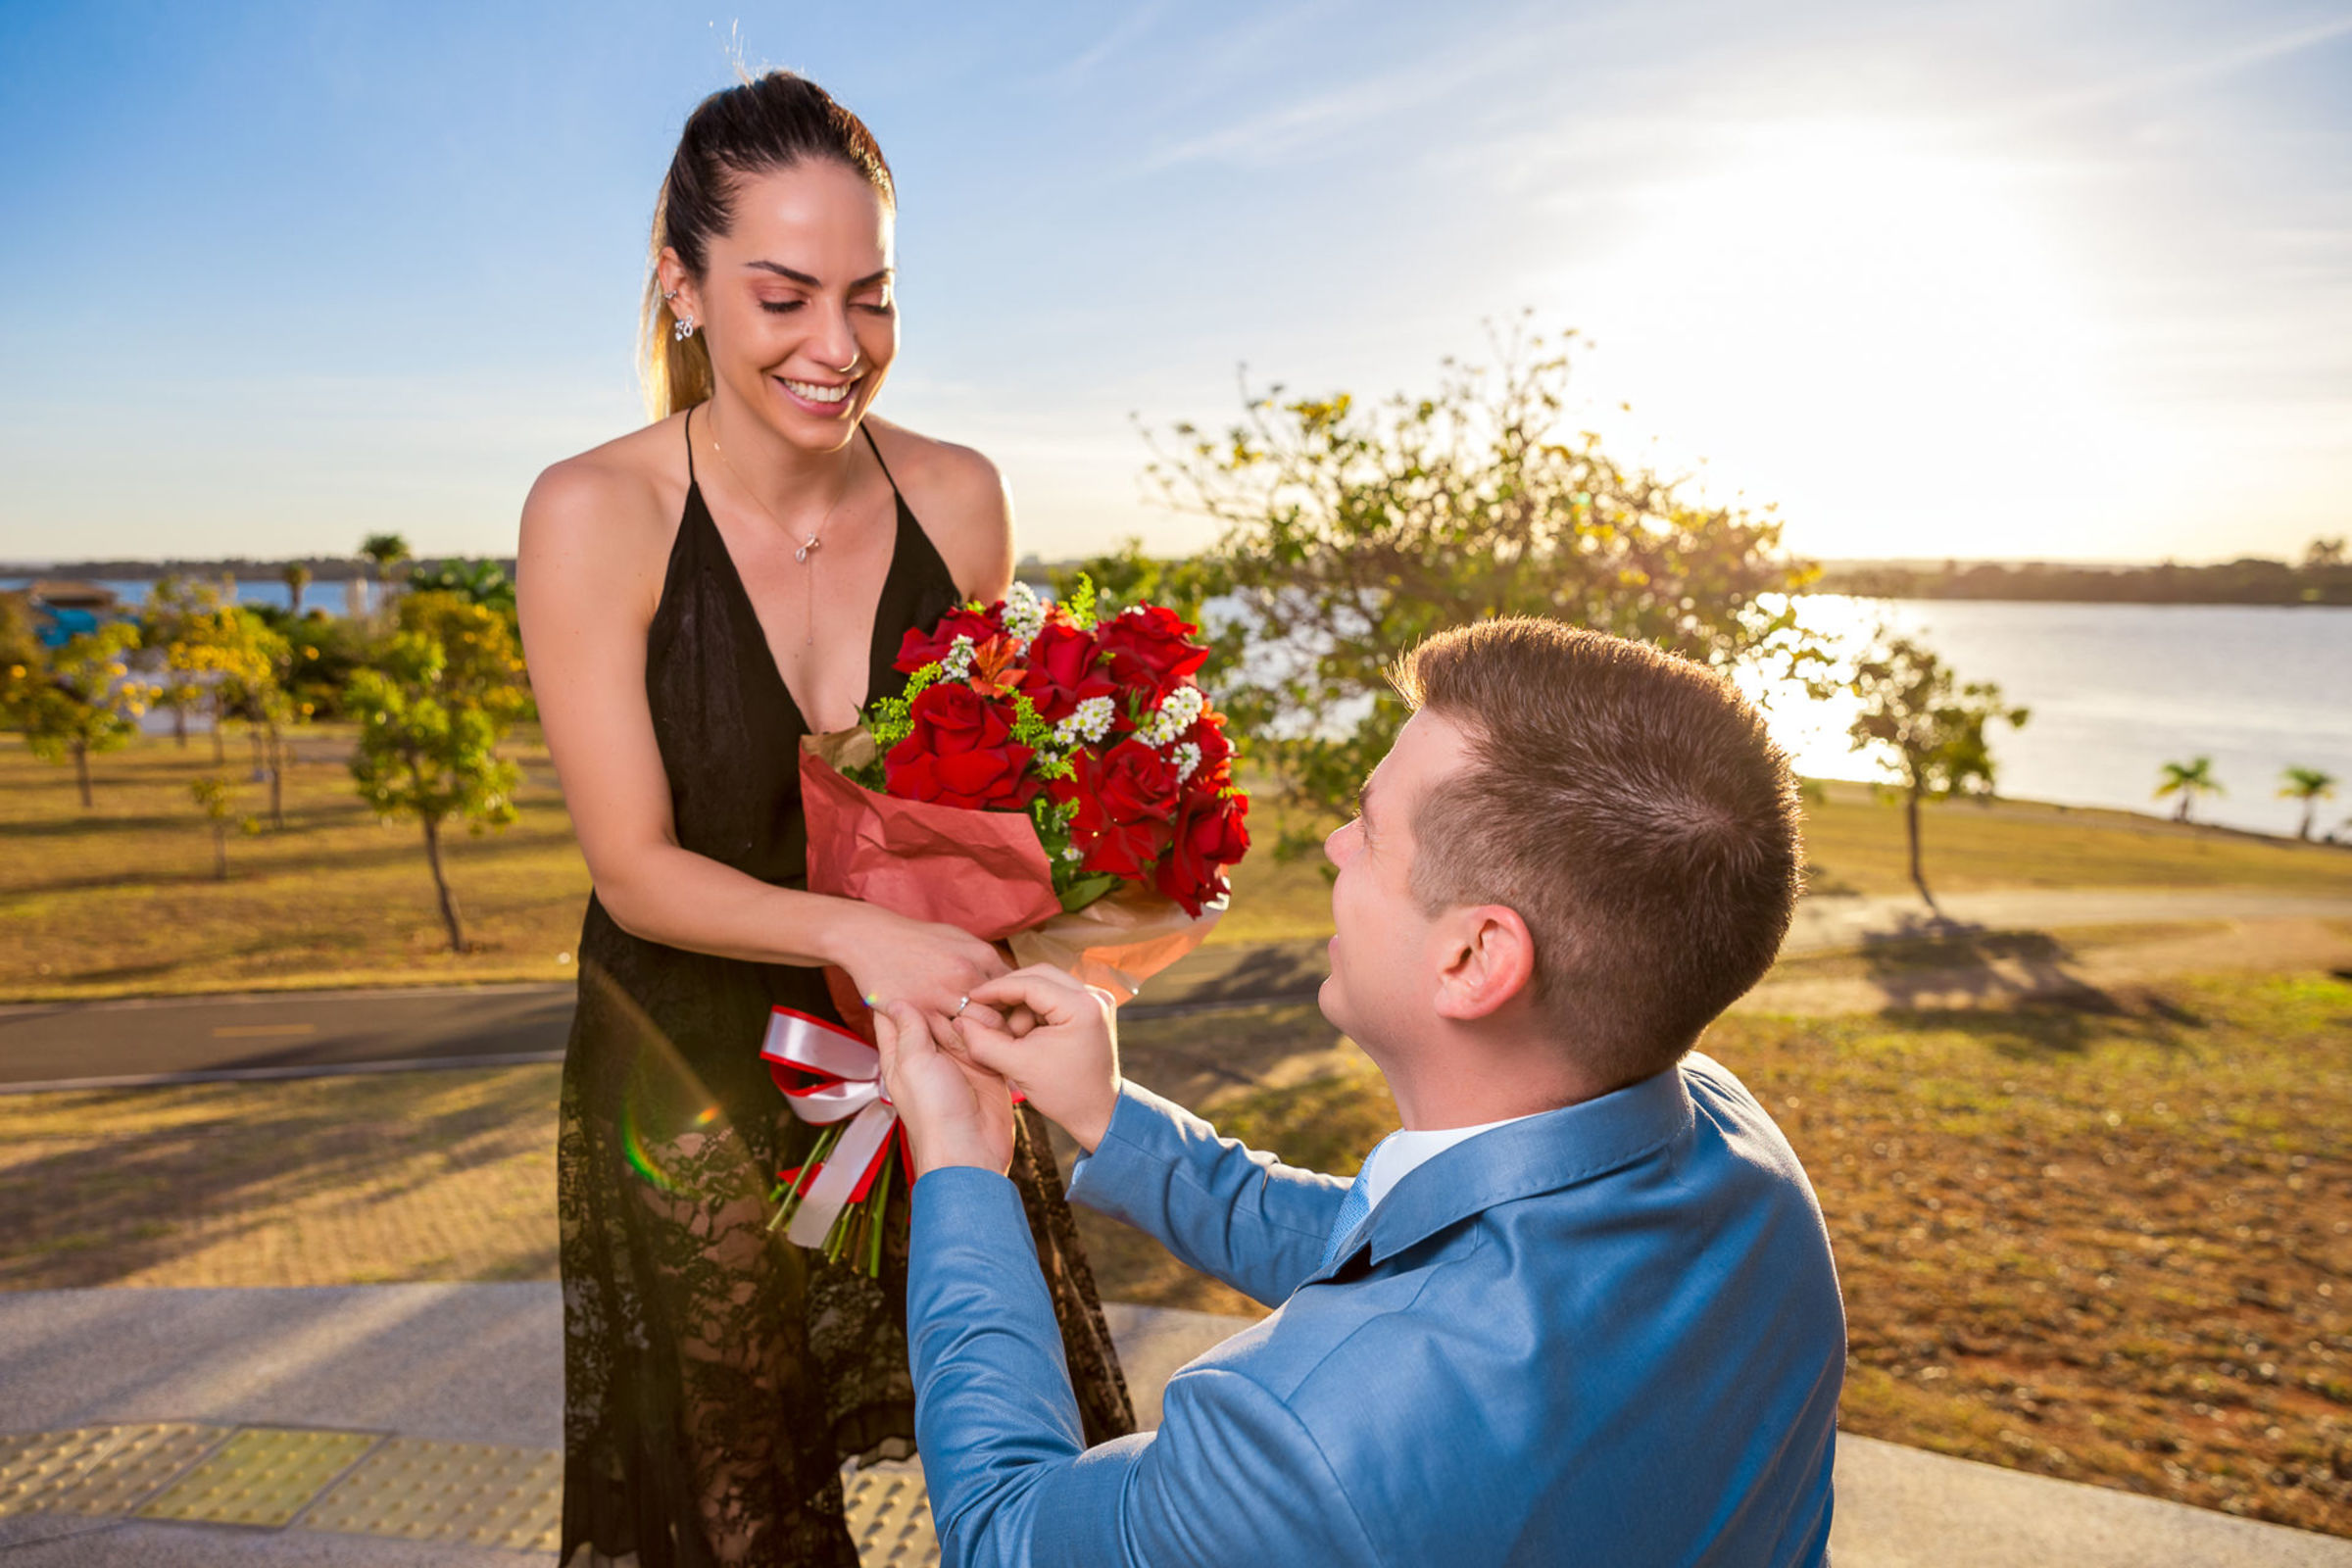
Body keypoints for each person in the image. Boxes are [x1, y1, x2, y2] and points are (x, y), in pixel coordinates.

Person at [515, 70, 1133, 1568]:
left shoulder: (962, 500)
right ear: (682, 284)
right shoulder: (590, 513)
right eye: (783, 296)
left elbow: (977, 814)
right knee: (742, 1512)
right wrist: (868, 931)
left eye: (871, 296)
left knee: (1034, 1450)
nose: (837, 347)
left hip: (918, 1044)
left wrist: (1127, 895)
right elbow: (634, 869)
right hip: (686, 1070)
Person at [877, 616, 1848, 1566]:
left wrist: (963, 1173)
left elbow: (1009, 1532)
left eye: (1372, 831)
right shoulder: (1744, 1156)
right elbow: (1383, 1248)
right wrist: (1107, 1112)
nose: (1337, 845)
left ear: (1473, 956)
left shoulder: (1300, 1440)